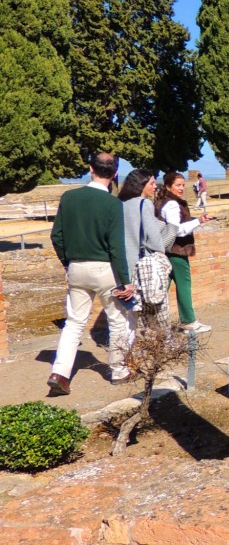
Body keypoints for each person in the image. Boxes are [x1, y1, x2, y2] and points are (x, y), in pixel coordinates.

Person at [47, 152, 137, 394]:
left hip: (76, 267)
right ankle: (119, 371)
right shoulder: (112, 204)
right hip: (105, 268)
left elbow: (56, 236)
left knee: (74, 322)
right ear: (116, 173)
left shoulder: (69, 197)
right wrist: (126, 281)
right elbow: (117, 246)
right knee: (117, 320)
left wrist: (68, 262)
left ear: (90, 169)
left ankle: (60, 372)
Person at [156, 171, 213, 333]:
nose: (181, 188)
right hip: (177, 251)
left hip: (164, 251)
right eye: (177, 185)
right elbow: (177, 231)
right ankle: (188, 321)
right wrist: (198, 221)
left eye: (183, 185)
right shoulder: (173, 204)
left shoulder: (162, 202)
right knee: (184, 285)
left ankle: (154, 321)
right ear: (168, 186)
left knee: (160, 288)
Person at [119, 169, 174, 332]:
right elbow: (153, 236)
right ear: (141, 185)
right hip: (145, 264)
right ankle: (158, 345)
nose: (155, 187)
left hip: (126, 265)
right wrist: (161, 250)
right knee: (155, 308)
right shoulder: (145, 203)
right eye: (151, 183)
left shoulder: (121, 204)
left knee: (131, 314)